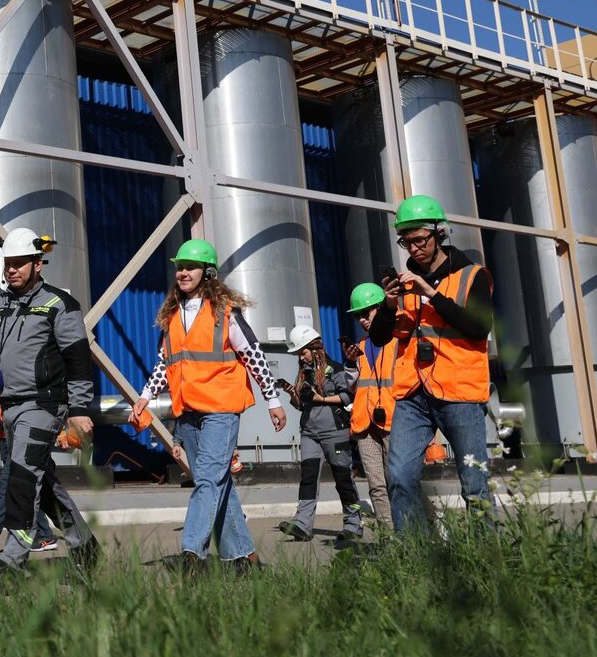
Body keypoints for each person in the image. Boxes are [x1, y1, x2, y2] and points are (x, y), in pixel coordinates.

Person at [131, 238, 287, 573]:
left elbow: (254, 356)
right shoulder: (172, 316)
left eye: (190, 267)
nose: (183, 272)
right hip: (188, 413)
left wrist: (273, 399)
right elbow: (164, 364)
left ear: (208, 272)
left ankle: (193, 554)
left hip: (220, 409)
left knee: (207, 481)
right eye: (180, 267)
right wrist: (144, 397)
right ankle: (245, 559)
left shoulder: (225, 313)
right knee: (218, 482)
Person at [0, 228, 100, 586]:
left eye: (20, 264)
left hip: (44, 406)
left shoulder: (59, 305)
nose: (12, 270)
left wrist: (80, 408)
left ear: (38, 264)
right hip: (8, 408)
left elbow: (78, 359)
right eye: (8, 264)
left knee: (21, 480)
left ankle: (10, 564)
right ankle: (86, 548)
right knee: (44, 484)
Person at [377, 196, 495, 531]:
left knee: (474, 483)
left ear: (438, 233)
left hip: (458, 392)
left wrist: (431, 292)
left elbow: (478, 327)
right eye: (406, 241)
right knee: (399, 476)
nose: (413, 248)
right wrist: (388, 305)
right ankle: (416, 556)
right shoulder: (406, 284)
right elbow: (381, 337)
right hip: (413, 393)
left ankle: (490, 557)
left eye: (419, 239)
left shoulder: (472, 276)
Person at [276, 325, 363, 544]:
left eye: (302, 352)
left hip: (335, 432)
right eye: (298, 354)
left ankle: (353, 523)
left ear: (315, 349)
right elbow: (301, 405)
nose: (301, 357)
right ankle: (303, 524)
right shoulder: (303, 373)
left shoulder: (335, 369)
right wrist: (292, 394)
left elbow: (347, 398)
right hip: (309, 433)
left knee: (343, 478)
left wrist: (320, 399)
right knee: (307, 478)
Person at [0, 395, 58, 555]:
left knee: (7, 485)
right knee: (28, 489)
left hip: (21, 433)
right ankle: (44, 536)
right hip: (4, 434)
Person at [347, 282, 397, 534]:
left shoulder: (399, 341)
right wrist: (349, 364)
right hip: (365, 424)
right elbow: (353, 387)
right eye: (358, 315)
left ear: (381, 308)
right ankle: (389, 540)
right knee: (376, 486)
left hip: (393, 421)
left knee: (399, 482)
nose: (362, 319)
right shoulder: (362, 347)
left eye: (367, 312)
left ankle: (419, 530)